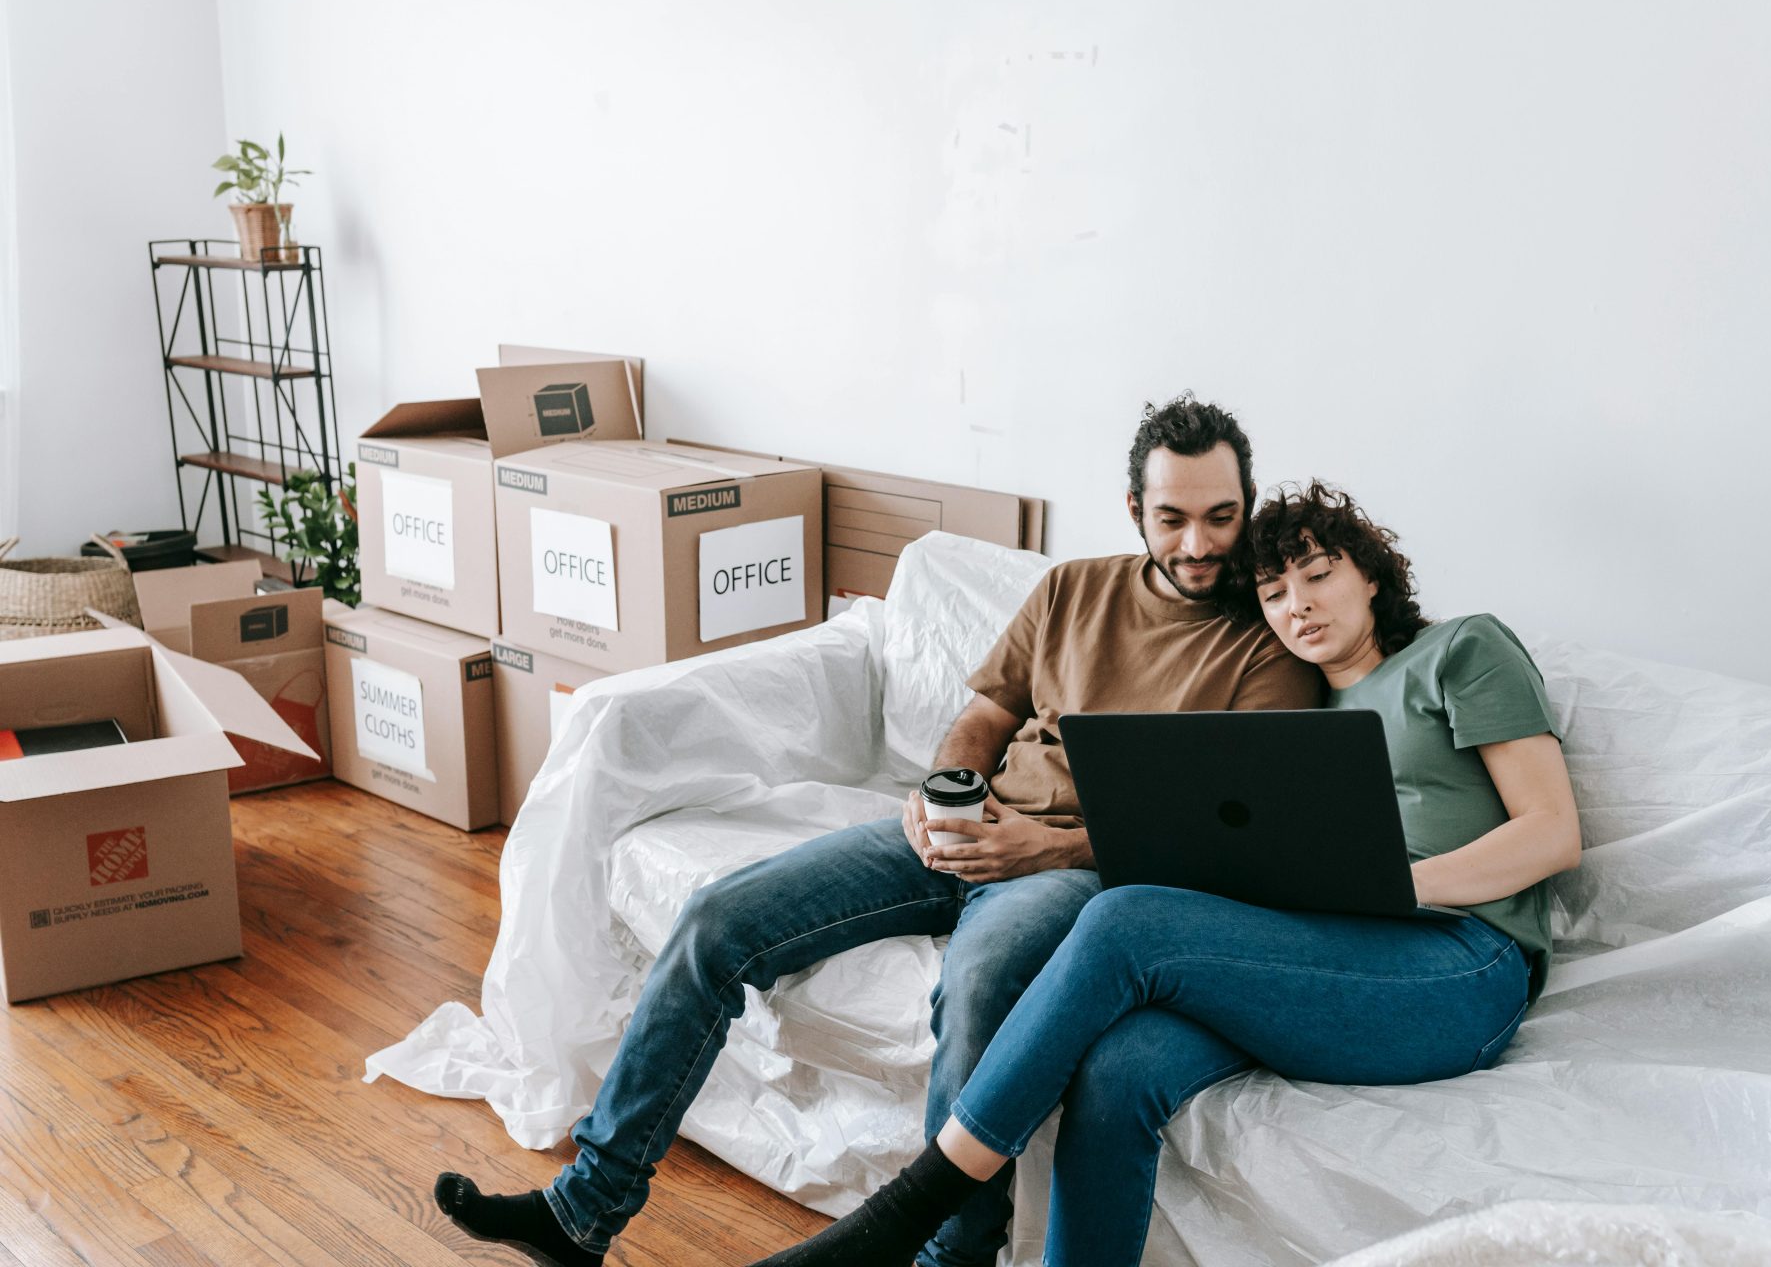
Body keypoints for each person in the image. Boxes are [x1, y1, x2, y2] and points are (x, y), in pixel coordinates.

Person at [433, 398, 1321, 1267]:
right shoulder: (1072, 590)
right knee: (717, 921)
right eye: (1173, 518)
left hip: (1076, 871)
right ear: (1135, 509)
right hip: (966, 828)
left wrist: (1046, 849)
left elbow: (1225, 832)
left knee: (976, 990)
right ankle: (584, 1208)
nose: (1199, 545)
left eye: (1221, 517)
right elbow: (986, 712)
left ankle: (947, 1257)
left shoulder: (1271, 644)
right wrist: (945, 789)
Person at [747, 480, 1583, 1267]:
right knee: (1119, 1068)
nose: (1298, 605)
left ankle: (909, 1211)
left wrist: (1398, 888)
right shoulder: (1292, 717)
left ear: (1371, 574)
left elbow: (1551, 835)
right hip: (1332, 948)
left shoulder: (1462, 649)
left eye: (1319, 575)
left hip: (1460, 964)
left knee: (1125, 919)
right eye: (1274, 593)